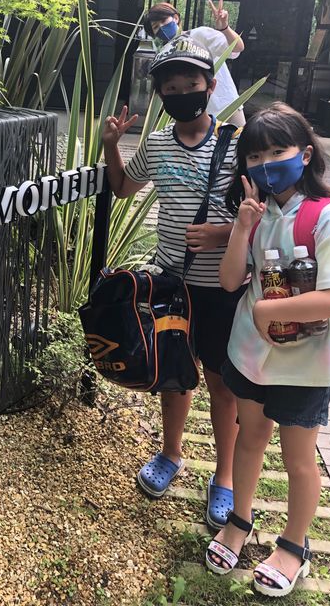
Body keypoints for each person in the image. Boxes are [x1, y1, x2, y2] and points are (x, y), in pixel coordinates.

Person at [205, 102, 330, 597]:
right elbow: (230, 282)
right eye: (254, 155)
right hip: (251, 354)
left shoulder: (329, 217)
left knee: (298, 460)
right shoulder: (256, 213)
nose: (265, 163)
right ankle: (240, 521)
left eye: (277, 151)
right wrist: (242, 227)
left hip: (305, 364)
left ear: (306, 155)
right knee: (249, 438)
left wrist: (268, 313)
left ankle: (293, 546)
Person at [102, 36, 246, 530]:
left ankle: (224, 477)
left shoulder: (235, 143)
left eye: (192, 83)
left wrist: (224, 232)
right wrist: (109, 146)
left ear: (210, 86)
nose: (183, 92)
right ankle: (171, 453)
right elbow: (123, 189)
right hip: (171, 285)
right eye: (172, 87)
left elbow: (263, 213)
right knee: (174, 373)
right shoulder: (158, 144)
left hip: (224, 288)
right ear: (161, 95)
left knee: (222, 385)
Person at [143, 0, 246, 127]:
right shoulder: (166, 54)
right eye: (156, 27)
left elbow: (238, 47)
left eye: (164, 21)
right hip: (194, 113)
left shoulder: (199, 35)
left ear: (176, 18)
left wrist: (224, 27)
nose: (162, 28)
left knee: (241, 144)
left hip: (226, 106)